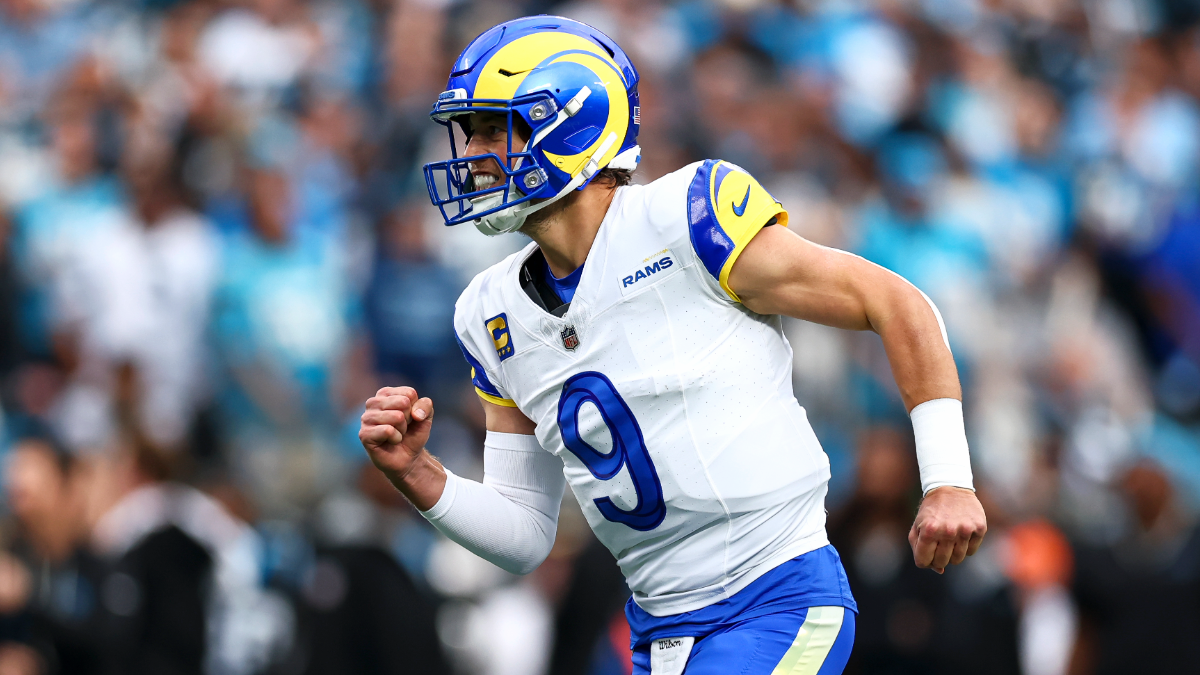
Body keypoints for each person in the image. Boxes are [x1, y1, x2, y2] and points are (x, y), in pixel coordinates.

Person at [359, 16, 987, 674]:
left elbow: (896, 302)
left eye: (494, 127)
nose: (472, 154)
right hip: (657, 632)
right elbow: (522, 531)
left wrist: (947, 479)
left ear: (569, 123)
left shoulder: (688, 220)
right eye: (470, 132)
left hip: (776, 599)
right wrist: (417, 473)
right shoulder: (492, 313)